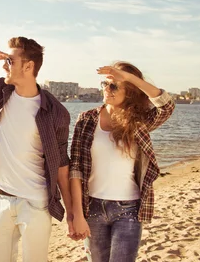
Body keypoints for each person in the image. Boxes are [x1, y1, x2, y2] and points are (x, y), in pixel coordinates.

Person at [0, 37, 74, 262]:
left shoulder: (55, 111)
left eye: (10, 61)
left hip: (36, 203)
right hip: (0, 200)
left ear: (29, 66)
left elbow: (62, 164)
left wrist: (72, 213)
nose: (5, 65)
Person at [69, 62, 175, 262]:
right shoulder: (86, 119)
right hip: (92, 207)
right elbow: (75, 169)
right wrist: (77, 215)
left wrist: (129, 78)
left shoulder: (138, 121)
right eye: (105, 84)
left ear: (130, 92)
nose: (107, 90)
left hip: (128, 209)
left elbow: (166, 105)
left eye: (114, 86)